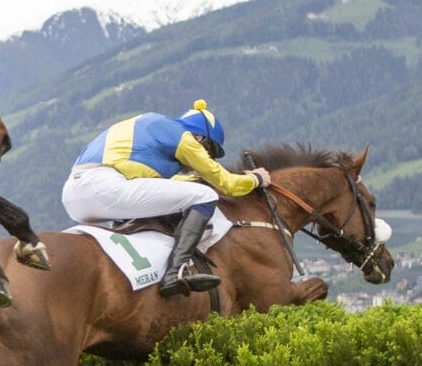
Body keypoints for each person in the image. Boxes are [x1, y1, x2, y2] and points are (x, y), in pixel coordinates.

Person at [61, 99, 270, 297]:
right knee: (205, 195)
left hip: (75, 196)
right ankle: (174, 273)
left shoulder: (153, 126)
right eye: (208, 152)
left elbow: (154, 184)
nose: (206, 157)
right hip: (105, 187)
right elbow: (228, 185)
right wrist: (255, 179)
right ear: (200, 138)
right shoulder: (184, 139)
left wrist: (192, 179)